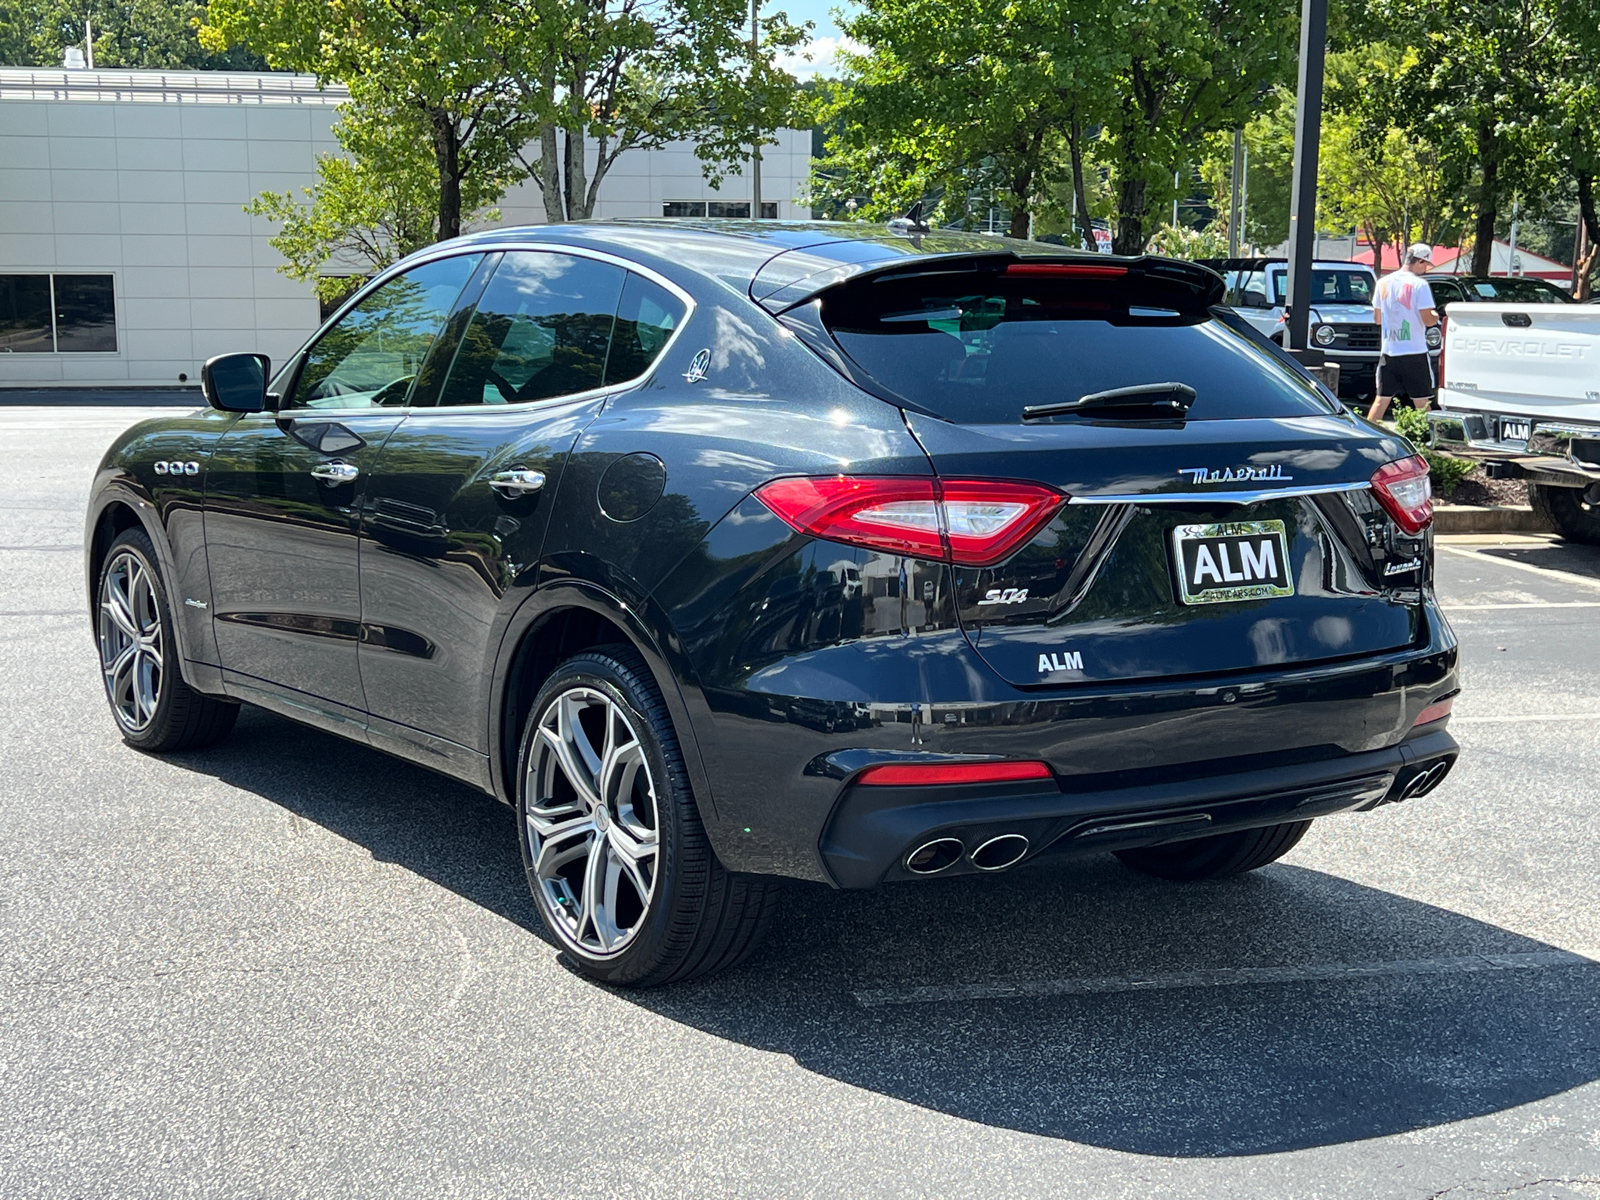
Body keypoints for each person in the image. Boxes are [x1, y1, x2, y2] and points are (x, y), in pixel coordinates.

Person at [1367, 243, 1441, 423]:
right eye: (1425, 265)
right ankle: (1426, 437)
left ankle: (1366, 435)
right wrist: (1436, 314)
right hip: (1414, 351)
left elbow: (1377, 318)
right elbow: (1428, 319)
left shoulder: (1383, 282)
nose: (1425, 270)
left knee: (1381, 400)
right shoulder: (1419, 285)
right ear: (1420, 261)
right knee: (1422, 401)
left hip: (1389, 351)